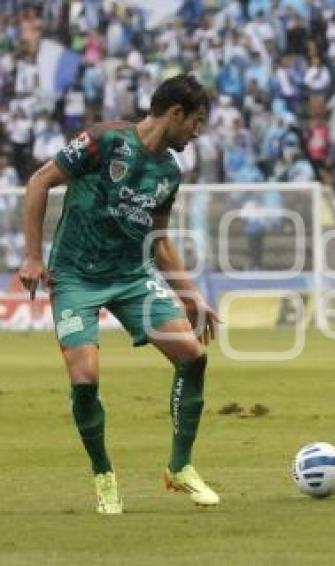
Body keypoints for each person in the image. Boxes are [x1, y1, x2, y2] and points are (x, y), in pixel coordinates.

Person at [17, 75, 220, 514]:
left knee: (193, 355)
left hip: (131, 276)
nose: (197, 132)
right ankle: (104, 474)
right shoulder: (103, 142)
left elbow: (160, 240)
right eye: (196, 122)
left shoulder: (168, 172)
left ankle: (180, 468)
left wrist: (190, 296)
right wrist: (33, 257)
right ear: (175, 114)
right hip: (74, 277)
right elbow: (38, 182)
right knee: (85, 378)